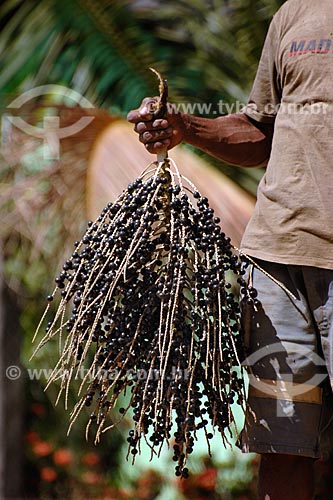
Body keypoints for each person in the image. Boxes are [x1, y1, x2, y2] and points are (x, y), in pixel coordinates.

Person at [127, 1, 333, 498]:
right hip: (276, 262)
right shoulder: (295, 13)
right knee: (282, 443)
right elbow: (261, 129)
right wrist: (186, 127)